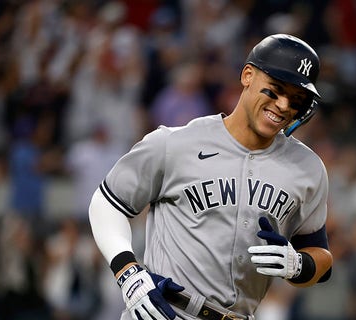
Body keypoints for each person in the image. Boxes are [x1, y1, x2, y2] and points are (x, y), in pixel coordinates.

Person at [88, 33, 333, 320]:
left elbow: (321, 255)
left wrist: (299, 265)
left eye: (296, 99)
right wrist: (127, 270)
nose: (283, 105)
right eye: (275, 90)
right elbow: (106, 203)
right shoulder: (176, 143)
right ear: (248, 76)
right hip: (166, 311)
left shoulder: (308, 168)